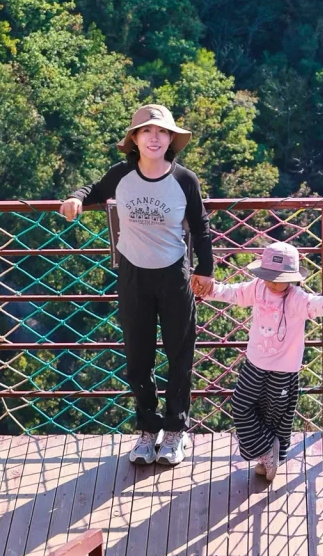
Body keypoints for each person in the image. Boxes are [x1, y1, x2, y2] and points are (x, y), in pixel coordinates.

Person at [59, 104, 213, 467]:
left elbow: (201, 226)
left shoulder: (185, 180)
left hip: (174, 275)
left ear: (171, 139)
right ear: (135, 139)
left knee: (179, 355)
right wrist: (76, 198)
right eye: (146, 131)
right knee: (138, 357)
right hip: (133, 276)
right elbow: (93, 189)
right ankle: (146, 429)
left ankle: (175, 431)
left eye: (161, 132)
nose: (154, 138)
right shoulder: (122, 174)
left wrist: (205, 270)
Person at [195, 242, 323, 482]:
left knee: (275, 415)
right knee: (241, 405)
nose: (272, 282)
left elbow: (318, 303)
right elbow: (234, 293)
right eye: (269, 276)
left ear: (292, 278)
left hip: (283, 370)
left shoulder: (297, 299)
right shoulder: (258, 288)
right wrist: (208, 290)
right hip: (255, 363)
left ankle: (269, 458)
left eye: (279, 279)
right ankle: (265, 450)